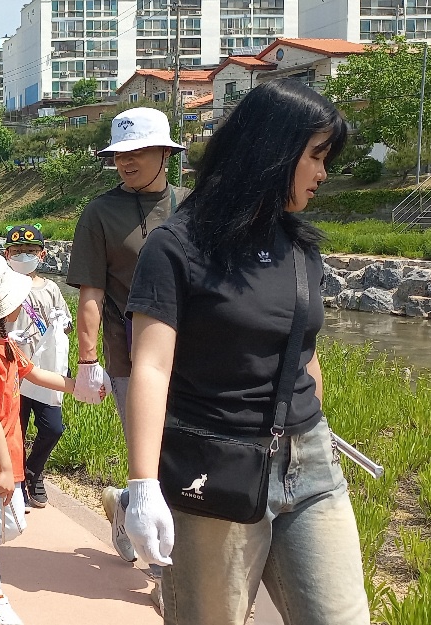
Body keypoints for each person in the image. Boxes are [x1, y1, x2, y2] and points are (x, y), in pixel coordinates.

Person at [122, 80, 366, 624]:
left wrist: (308, 422)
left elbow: (304, 352)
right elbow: (152, 366)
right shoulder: (179, 246)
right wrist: (143, 484)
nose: (323, 173)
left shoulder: (299, 245)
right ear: (273, 152)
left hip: (310, 467)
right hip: (215, 467)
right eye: (316, 157)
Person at [64, 106, 188, 610]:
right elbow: (91, 292)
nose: (127, 162)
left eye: (138, 152)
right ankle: (166, 578)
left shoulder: (190, 206)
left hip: (187, 356)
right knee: (158, 460)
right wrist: (88, 361)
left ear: (165, 154)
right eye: (120, 155)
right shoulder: (99, 213)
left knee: (187, 457)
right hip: (128, 359)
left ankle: (124, 503)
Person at [0, 252, 102, 625]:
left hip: (6, 455)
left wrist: (80, 387)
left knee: (11, 525)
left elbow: (36, 375)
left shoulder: (6, 344)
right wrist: (2, 467)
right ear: (6, 309)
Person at [1, 224, 72, 509]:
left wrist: (61, 323)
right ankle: (17, 478)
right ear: (7, 254)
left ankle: (34, 471)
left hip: (45, 372)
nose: (24, 255)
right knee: (14, 428)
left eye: (30, 251)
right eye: (18, 251)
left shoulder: (52, 288)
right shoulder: (4, 285)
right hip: (13, 371)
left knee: (52, 427)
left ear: (41, 254)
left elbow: (65, 326)